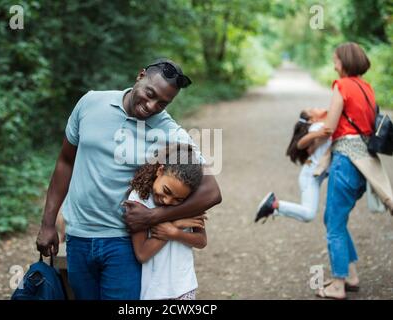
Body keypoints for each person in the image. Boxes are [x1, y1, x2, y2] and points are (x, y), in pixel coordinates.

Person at [36, 59, 222, 300]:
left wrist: (154, 217)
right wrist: (48, 223)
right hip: (78, 236)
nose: (152, 106)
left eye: (162, 103)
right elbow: (65, 162)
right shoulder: (90, 103)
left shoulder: (170, 132)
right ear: (140, 76)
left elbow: (211, 192)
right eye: (150, 94)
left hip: (123, 243)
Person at [316, 42, 378, 299]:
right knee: (335, 219)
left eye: (336, 60)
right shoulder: (367, 88)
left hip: (344, 162)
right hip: (364, 163)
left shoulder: (341, 86)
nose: (334, 64)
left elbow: (330, 127)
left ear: (344, 62)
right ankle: (351, 275)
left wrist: (308, 140)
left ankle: (338, 284)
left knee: (334, 223)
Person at [129, 143, 207, 300]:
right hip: (153, 290)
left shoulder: (190, 202)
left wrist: (176, 234)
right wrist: (175, 225)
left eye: (178, 199)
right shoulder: (138, 200)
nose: (167, 201)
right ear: (160, 170)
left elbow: (202, 241)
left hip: (184, 286)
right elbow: (142, 254)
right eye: (166, 191)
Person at [255, 108, 332, 223]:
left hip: (314, 175)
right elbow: (300, 144)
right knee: (309, 214)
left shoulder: (323, 124)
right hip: (309, 177)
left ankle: (274, 209)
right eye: (312, 110)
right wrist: (317, 134)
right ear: (313, 119)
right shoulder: (317, 127)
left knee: (308, 216)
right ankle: (274, 204)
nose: (316, 108)